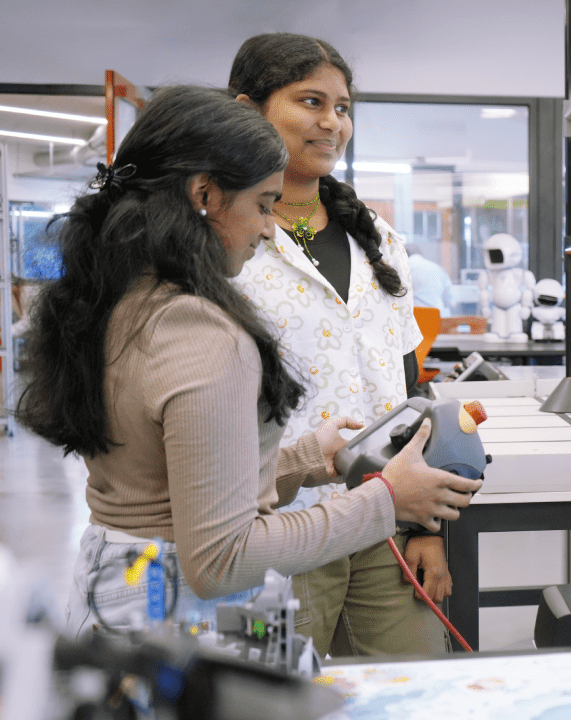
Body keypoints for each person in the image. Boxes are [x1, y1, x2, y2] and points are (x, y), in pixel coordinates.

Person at [13, 85, 480, 637]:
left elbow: (171, 486)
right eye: (262, 204)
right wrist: (388, 498)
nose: (266, 228)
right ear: (204, 194)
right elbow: (220, 560)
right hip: (184, 616)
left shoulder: (121, 300)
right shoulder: (206, 334)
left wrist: (307, 458)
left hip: (120, 585)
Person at [229, 33, 453, 657]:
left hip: (387, 516)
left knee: (413, 688)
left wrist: (425, 525)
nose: (332, 123)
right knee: (283, 695)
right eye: (311, 102)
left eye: (343, 107)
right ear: (249, 110)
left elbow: (408, 390)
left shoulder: (378, 238)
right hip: (276, 527)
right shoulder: (221, 237)